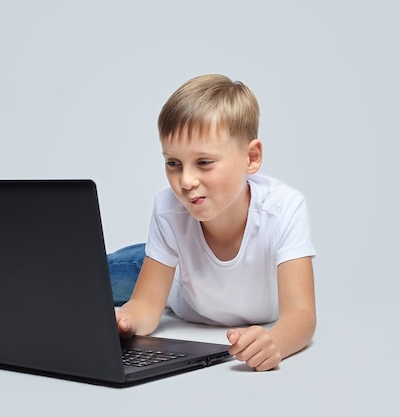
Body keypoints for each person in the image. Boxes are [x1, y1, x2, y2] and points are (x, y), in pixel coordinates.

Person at [110, 74, 316, 371]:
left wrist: (276, 343)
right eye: (173, 163)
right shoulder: (168, 208)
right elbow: (146, 307)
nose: (186, 181)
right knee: (81, 277)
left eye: (204, 162)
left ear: (251, 157)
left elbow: (302, 313)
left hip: (179, 267)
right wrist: (124, 322)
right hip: (169, 273)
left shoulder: (283, 209)